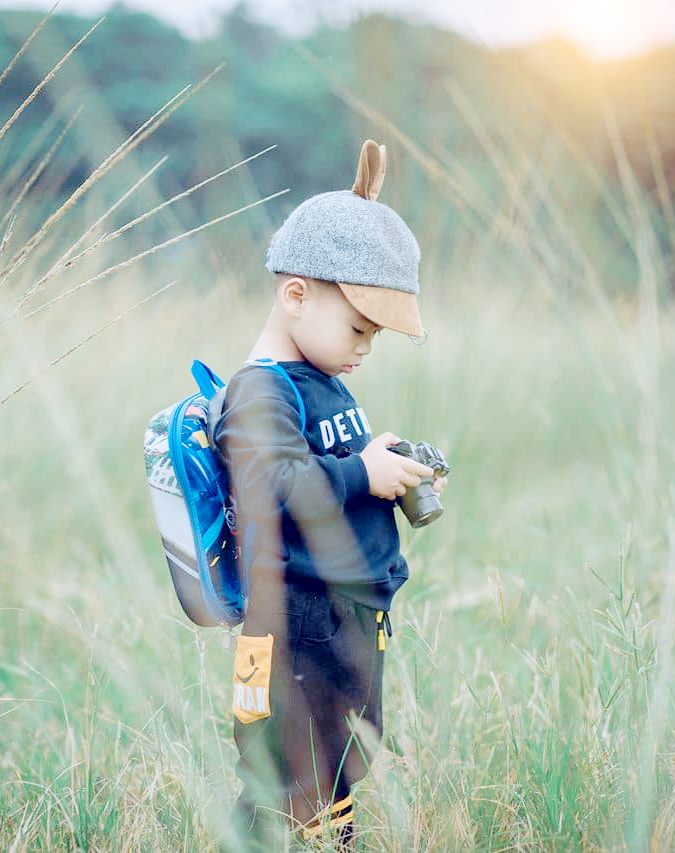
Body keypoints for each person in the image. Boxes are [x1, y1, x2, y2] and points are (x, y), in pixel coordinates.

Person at [213, 139, 447, 850]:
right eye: (357, 327)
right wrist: (360, 474)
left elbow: (328, 471)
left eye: (373, 335)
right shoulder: (259, 391)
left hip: (341, 617)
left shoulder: (323, 381)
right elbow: (277, 485)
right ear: (296, 295)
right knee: (286, 772)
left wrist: (387, 466)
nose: (365, 348)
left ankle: (331, 838)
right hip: (293, 624)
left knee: (341, 756)